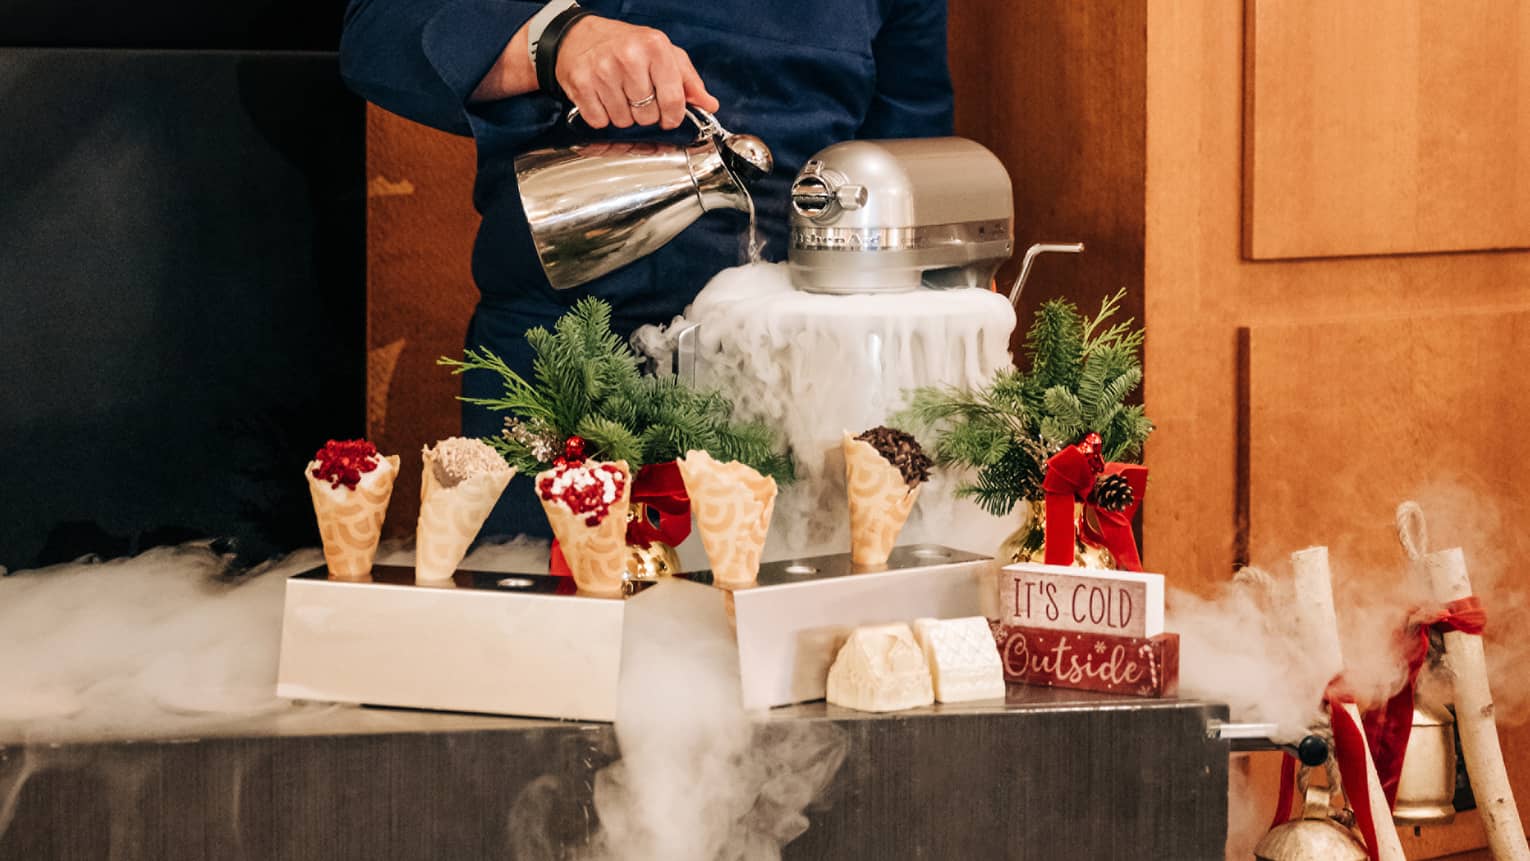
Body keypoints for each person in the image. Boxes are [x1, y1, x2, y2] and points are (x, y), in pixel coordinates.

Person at [339, 0, 953, 537]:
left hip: (806, 379)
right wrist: (555, 41)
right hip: (571, 366)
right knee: (545, 652)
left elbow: (909, 153)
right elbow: (380, 29)